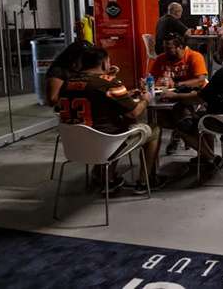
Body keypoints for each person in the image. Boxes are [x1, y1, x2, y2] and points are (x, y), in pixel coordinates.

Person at [57, 46, 162, 193]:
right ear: (104, 63)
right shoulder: (108, 83)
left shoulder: (66, 83)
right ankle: (145, 182)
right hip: (104, 144)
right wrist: (145, 99)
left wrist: (125, 94)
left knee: (116, 124)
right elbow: (134, 112)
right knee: (154, 130)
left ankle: (105, 177)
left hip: (75, 145)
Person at [160, 34, 223, 173]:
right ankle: (206, 158)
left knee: (182, 125)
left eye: (218, 46)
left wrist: (174, 95)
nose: (217, 50)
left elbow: (198, 99)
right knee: (200, 114)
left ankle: (211, 158)